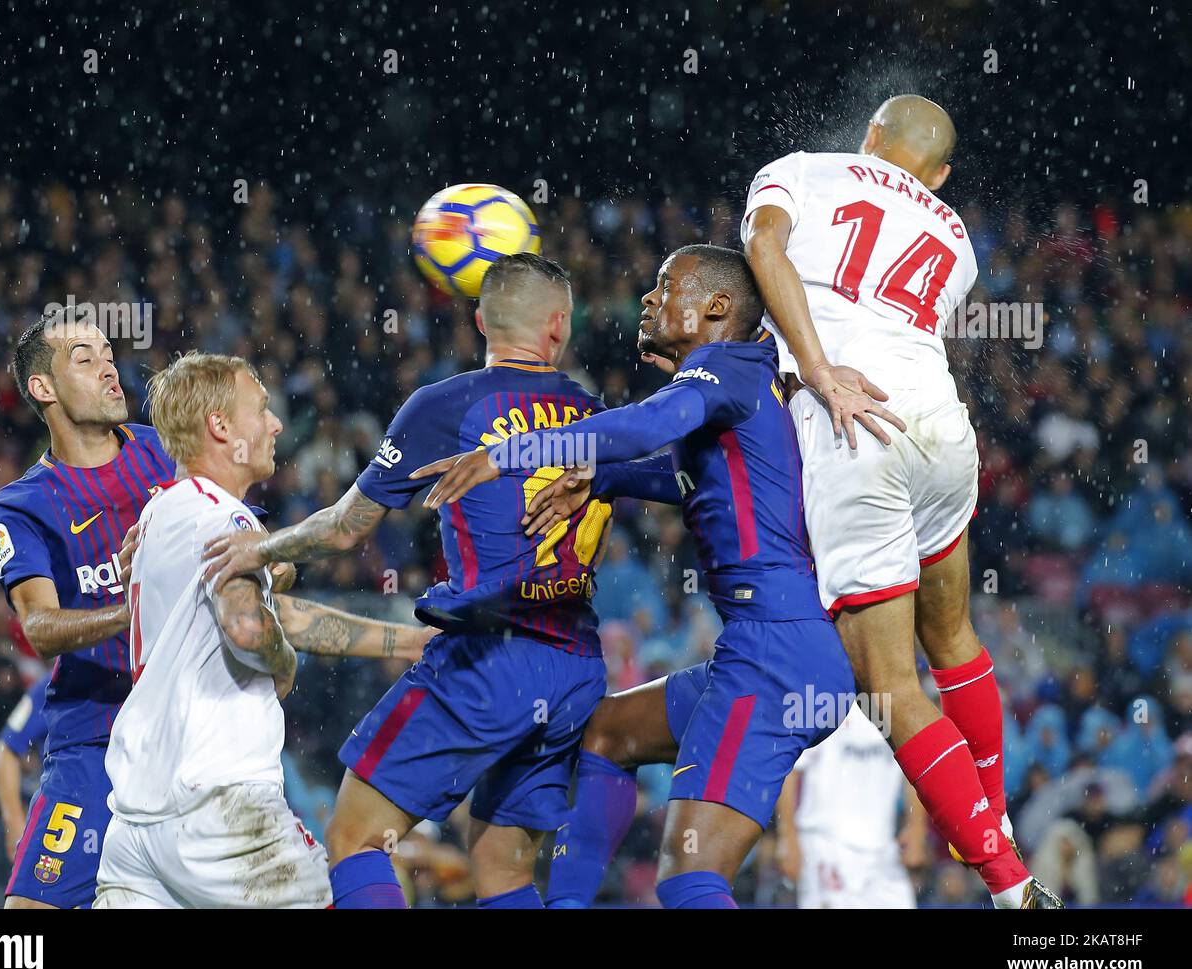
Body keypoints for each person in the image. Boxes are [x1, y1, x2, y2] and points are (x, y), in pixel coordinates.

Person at [416, 245, 855, 908]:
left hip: (775, 658)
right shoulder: (747, 372)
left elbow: (651, 423)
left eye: (665, 285)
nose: (649, 299)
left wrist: (513, 451)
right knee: (608, 732)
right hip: (779, 650)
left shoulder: (722, 369)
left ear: (715, 307)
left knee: (688, 879)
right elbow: (689, 478)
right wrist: (603, 476)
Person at [203, 253, 630, 908]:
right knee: (503, 868)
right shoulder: (597, 413)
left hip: (490, 661)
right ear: (560, 328)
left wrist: (266, 547)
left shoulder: (447, 405)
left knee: (355, 838)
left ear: (482, 319)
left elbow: (347, 527)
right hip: (574, 665)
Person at [742, 94, 1058, 906]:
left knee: (885, 683)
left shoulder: (800, 172)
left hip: (857, 427)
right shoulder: (956, 240)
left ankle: (1006, 883)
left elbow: (762, 248)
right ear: (942, 175)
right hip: (943, 430)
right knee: (950, 633)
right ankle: (994, 819)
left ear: (869, 136)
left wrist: (814, 368)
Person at [94, 352, 432, 908]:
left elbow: (283, 617)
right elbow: (251, 628)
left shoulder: (158, 516)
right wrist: (284, 662)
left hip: (135, 826)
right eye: (262, 409)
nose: (276, 424)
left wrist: (408, 642)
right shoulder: (226, 519)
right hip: (220, 809)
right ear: (221, 427)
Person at [0, 308, 171, 908]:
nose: (110, 370)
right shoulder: (23, 506)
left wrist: (274, 564)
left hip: (188, 727)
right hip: (94, 736)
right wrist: (132, 604)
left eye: (110, 356)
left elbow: (255, 547)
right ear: (43, 389)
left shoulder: (165, 453)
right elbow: (39, 626)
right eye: (85, 359)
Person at [774, 705, 926, 909]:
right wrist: (788, 837)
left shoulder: (893, 704)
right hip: (825, 845)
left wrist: (917, 827)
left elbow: (916, 767)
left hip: (883, 851)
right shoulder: (825, 702)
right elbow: (789, 771)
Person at [0, 672, 50, 861]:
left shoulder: (137, 675)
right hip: (65, 818)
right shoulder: (54, 684)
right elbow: (5, 749)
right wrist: (15, 824)